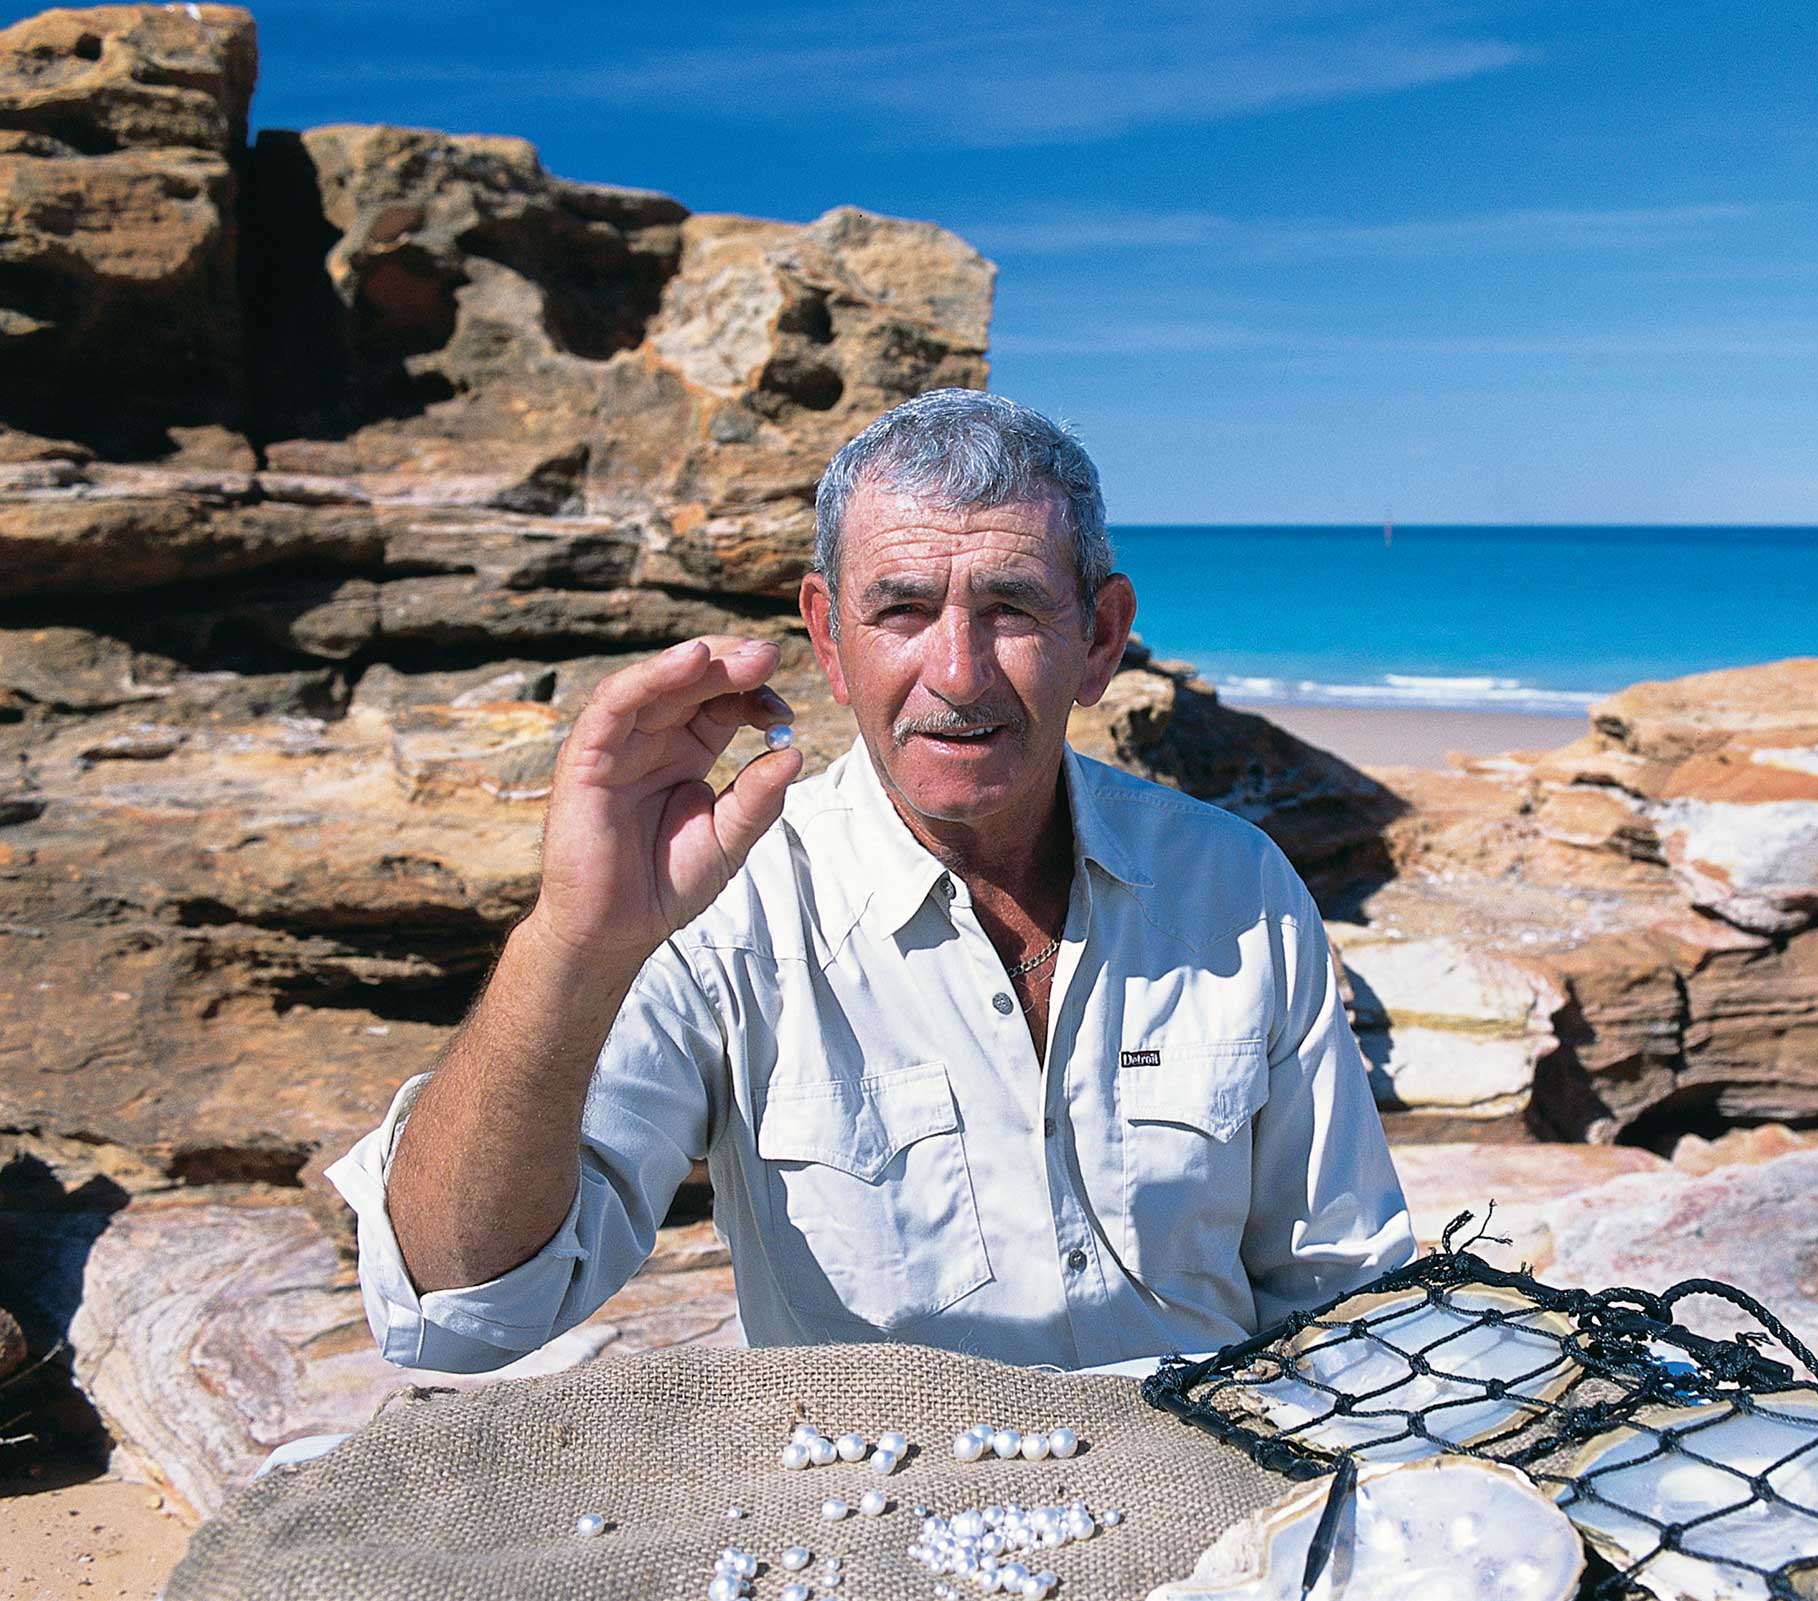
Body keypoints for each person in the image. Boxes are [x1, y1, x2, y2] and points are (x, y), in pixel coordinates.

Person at [327, 389, 1413, 1373]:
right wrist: (571, 941)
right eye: (900, 610)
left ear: (1101, 640)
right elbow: (458, 1311)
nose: (956, 671)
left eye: (1014, 607)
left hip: (1226, 1522)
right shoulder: (731, 903)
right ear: (829, 639)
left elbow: (1341, 1288)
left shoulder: (1233, 886)